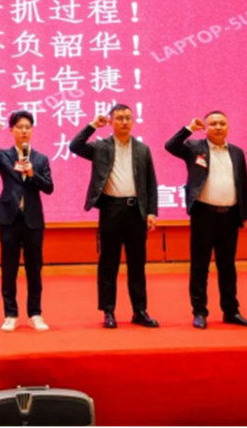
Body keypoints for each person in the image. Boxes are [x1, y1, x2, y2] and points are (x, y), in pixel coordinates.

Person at [69, 104, 159, 329]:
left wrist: (151, 211)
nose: (125, 122)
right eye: (119, 118)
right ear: (110, 121)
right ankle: (108, 311)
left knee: (137, 263)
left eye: (128, 118)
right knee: (108, 263)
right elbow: (75, 146)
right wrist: (92, 125)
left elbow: (151, 182)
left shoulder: (142, 149)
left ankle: (140, 310)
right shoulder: (101, 147)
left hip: (136, 211)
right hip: (111, 209)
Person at [165, 112, 247, 329]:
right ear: (205, 128)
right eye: (213, 124)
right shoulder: (195, 148)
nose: (218, 127)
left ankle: (231, 311)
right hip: (203, 215)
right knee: (200, 266)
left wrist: (245, 214)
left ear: (228, 127)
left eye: (222, 123)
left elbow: (243, 184)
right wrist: (188, 129)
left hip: (230, 216)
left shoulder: (236, 152)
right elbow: (171, 146)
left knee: (228, 267)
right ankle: (199, 311)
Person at [0, 111, 54, 332]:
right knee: (9, 268)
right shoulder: (4, 155)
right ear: (11, 130)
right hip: (9, 218)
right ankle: (10, 314)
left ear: (32, 130)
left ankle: (35, 313)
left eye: (27, 127)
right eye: (19, 127)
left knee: (34, 269)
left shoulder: (40, 159)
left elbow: (49, 187)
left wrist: (32, 173)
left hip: (33, 219)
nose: (24, 131)